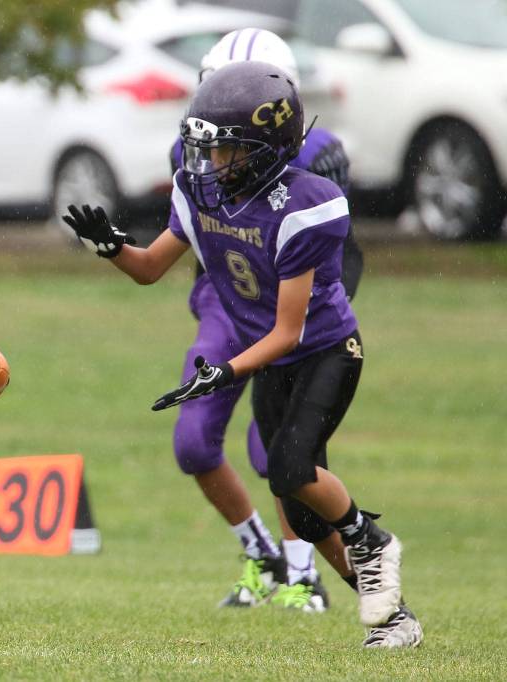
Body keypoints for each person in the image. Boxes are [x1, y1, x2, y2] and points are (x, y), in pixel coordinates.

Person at [62, 61, 421, 648]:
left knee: (289, 468)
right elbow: (149, 269)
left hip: (326, 352)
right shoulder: (200, 195)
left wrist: (223, 372)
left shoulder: (302, 205)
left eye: (226, 149)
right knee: (301, 511)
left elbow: (289, 331)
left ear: (266, 149)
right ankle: (394, 618)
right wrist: (111, 247)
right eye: (206, 147)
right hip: (274, 359)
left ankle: (371, 540)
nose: (211, 162)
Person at [165, 29, 364, 612]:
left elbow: (332, 261)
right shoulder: (192, 150)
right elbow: (181, 240)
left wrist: (315, 330)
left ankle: (304, 573)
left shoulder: (317, 157)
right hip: (225, 301)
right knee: (193, 441)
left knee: (274, 453)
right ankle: (262, 555)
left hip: (288, 312)